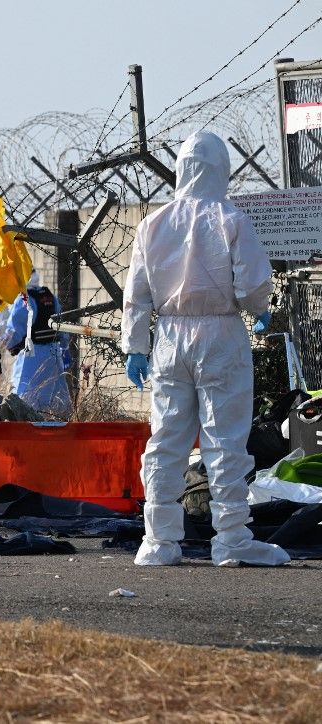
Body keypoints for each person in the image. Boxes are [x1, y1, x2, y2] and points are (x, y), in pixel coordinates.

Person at [122, 130, 289, 568]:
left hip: (169, 336)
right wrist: (259, 310)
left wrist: (135, 345)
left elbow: (136, 293)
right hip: (219, 333)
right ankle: (232, 539)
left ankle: (158, 542)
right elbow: (253, 283)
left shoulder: (153, 223)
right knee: (224, 438)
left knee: (167, 439)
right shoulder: (230, 218)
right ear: (222, 170)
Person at [4, 269, 73, 418]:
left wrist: (6, 346)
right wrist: (65, 349)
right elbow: (62, 326)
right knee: (56, 395)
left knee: (26, 395)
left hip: (31, 356)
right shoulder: (50, 297)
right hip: (53, 354)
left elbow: (14, 332)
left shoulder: (24, 300)